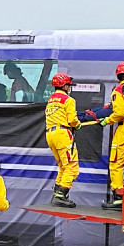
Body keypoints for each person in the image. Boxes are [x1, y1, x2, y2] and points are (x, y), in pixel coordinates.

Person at [45, 73, 82, 208]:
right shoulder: (68, 100)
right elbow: (72, 120)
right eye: (69, 86)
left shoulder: (51, 100)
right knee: (72, 167)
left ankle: (57, 193)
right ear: (65, 86)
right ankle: (61, 196)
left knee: (63, 166)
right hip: (62, 134)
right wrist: (77, 125)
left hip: (50, 134)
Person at [100, 62, 124, 210]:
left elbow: (119, 114)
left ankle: (118, 198)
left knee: (116, 162)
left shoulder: (119, 90)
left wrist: (107, 120)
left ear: (118, 76)